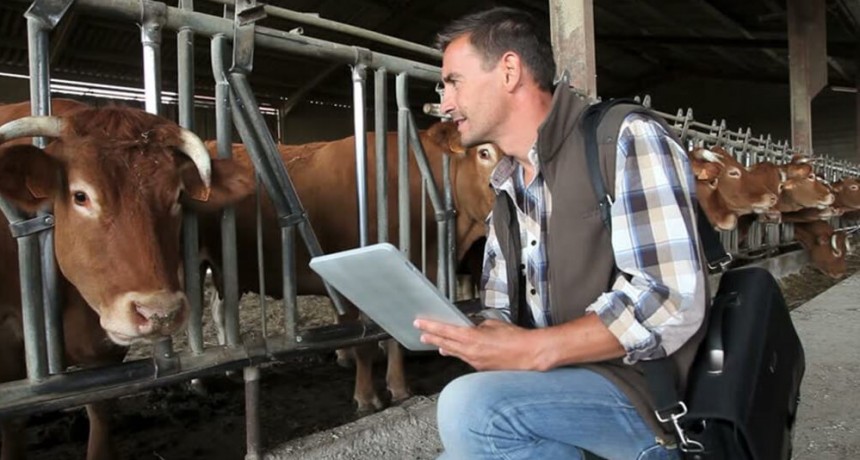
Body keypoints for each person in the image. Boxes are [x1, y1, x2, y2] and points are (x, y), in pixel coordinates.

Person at [413, 6, 708, 460]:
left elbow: (669, 298)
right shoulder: (507, 186)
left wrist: (534, 350)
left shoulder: (623, 139)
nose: (446, 104)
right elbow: (500, 309)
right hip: (562, 385)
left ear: (509, 71)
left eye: (454, 82)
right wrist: (473, 335)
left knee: (471, 407)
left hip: (648, 395)